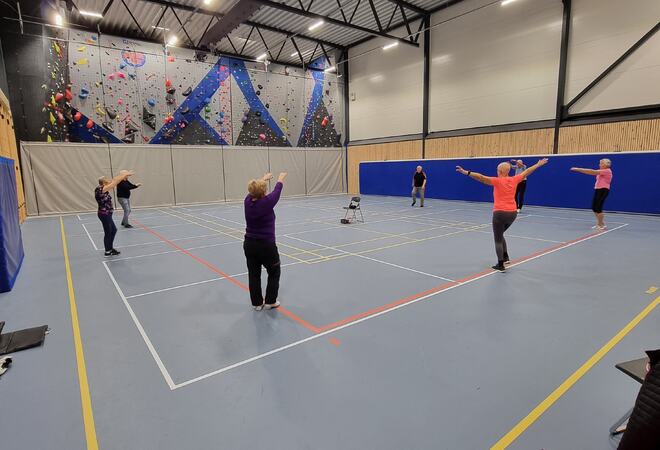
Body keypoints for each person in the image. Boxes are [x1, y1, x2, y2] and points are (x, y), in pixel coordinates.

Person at [456, 158, 548, 271]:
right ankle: (506, 257)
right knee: (501, 234)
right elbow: (527, 171)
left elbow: (481, 177)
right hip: (512, 213)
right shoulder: (515, 179)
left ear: (499, 171)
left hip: (500, 213)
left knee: (498, 239)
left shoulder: (497, 181)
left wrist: (466, 172)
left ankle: (500, 264)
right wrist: (538, 164)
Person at [243, 172, 288, 310]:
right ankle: (270, 301)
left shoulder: (247, 201)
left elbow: (255, 189)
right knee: (274, 272)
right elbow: (277, 190)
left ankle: (257, 303)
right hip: (266, 245)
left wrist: (263, 179)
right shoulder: (266, 202)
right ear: (263, 192)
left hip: (249, 244)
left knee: (254, 274)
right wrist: (280, 179)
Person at [95, 171, 134, 257]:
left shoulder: (103, 187)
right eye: (107, 180)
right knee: (108, 232)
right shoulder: (101, 189)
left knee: (113, 230)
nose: (109, 180)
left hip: (107, 214)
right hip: (104, 214)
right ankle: (107, 251)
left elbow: (115, 180)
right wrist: (123, 175)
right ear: (104, 182)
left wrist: (124, 174)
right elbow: (115, 182)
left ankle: (110, 248)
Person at [570, 159, 613, 230]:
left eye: (601, 163)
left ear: (606, 165)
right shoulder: (602, 171)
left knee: (598, 208)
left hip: (603, 190)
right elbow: (592, 172)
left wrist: (578, 169)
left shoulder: (607, 171)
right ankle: (601, 223)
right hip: (598, 190)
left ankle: (601, 225)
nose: (599, 165)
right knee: (594, 207)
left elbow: (592, 171)